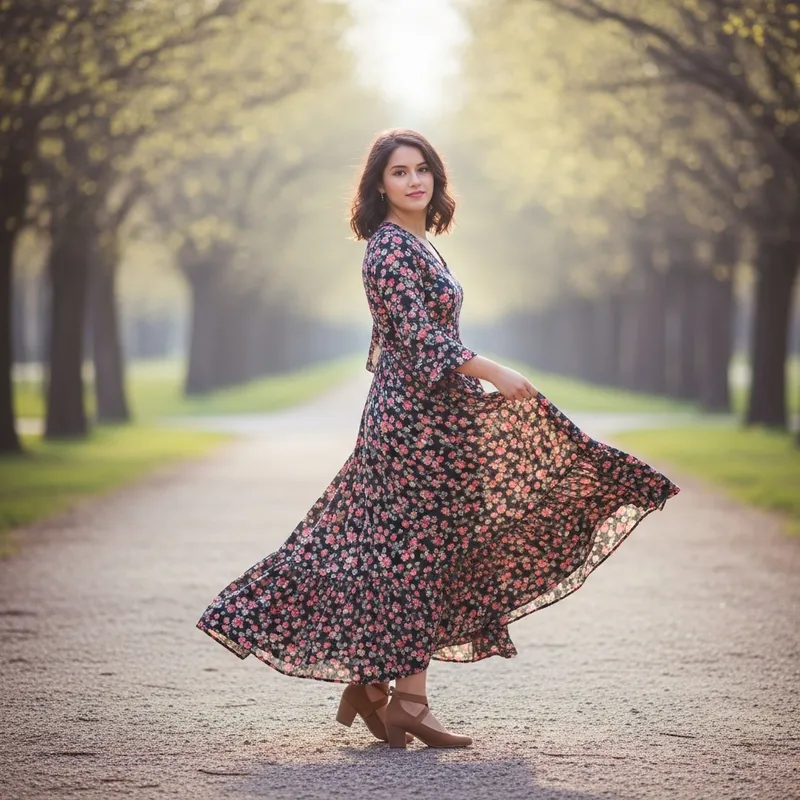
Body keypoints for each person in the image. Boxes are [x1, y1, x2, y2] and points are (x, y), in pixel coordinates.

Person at [196, 128, 680, 750]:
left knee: (396, 550)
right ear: (378, 184)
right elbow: (422, 342)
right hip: (411, 426)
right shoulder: (389, 250)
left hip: (433, 418)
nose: (414, 180)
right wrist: (495, 372)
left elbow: (401, 343)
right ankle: (408, 702)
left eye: (423, 169)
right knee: (415, 553)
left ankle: (376, 688)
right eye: (399, 172)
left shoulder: (417, 246)